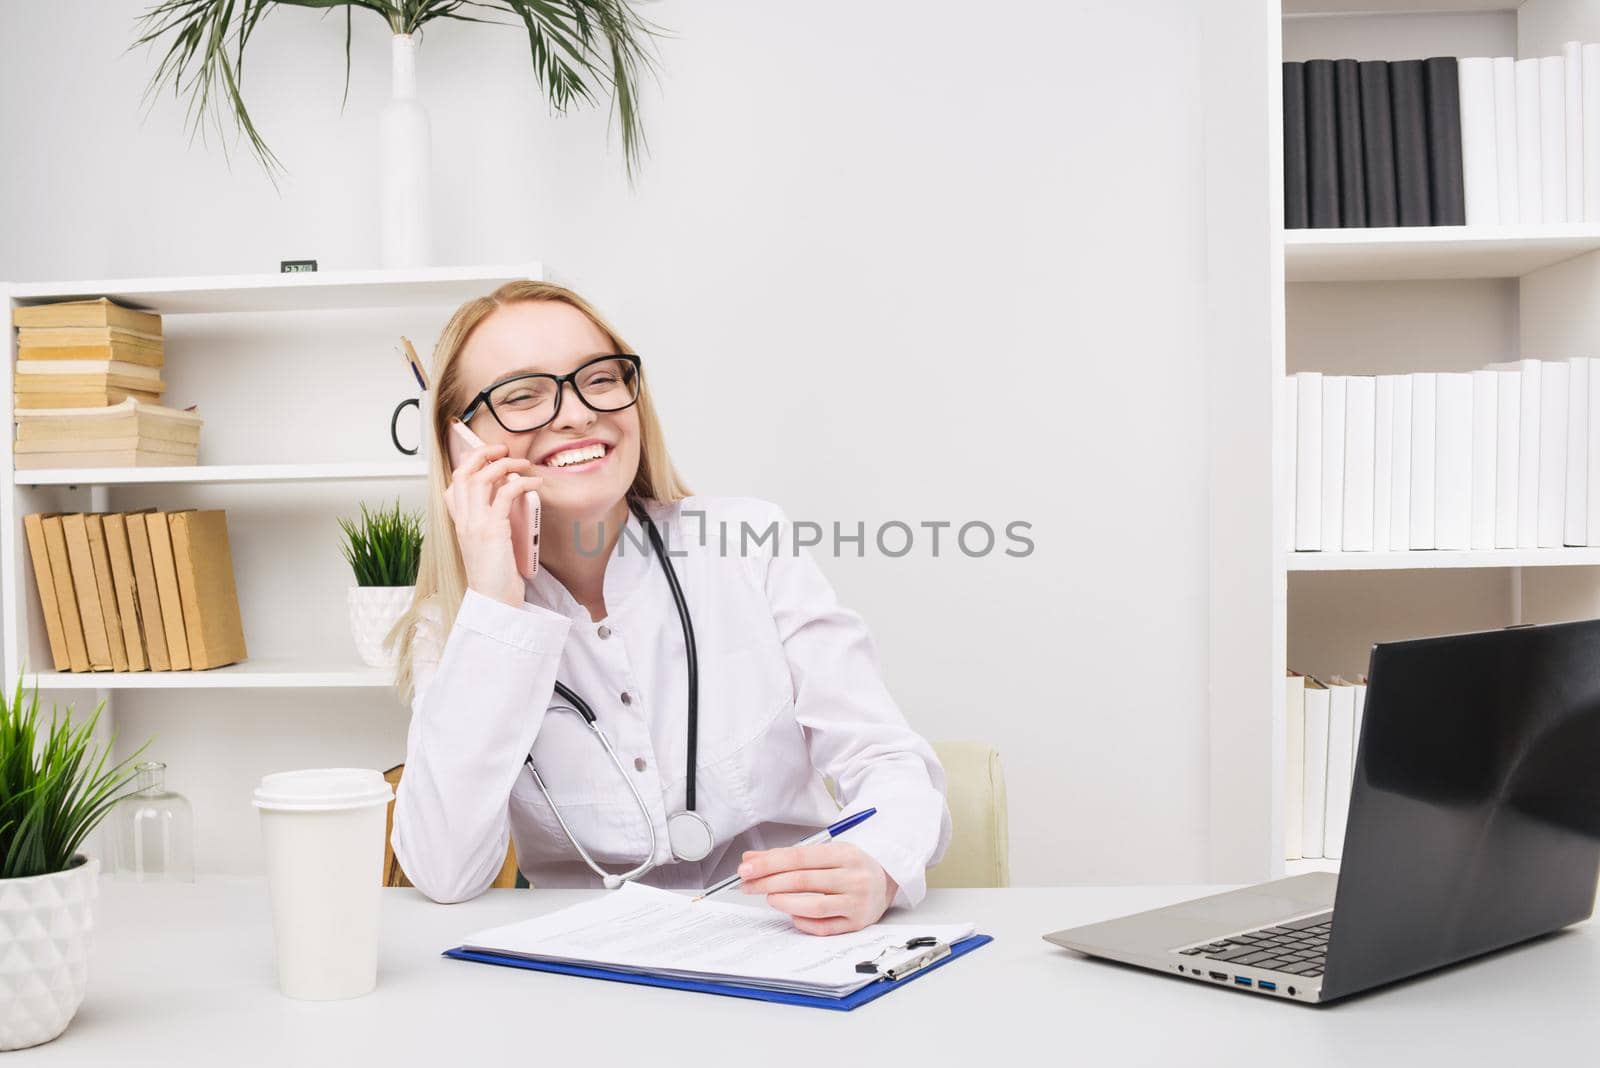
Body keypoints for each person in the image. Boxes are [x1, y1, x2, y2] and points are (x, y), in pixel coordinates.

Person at [388, 280, 950, 934]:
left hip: (787, 948)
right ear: (462, 444)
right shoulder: (460, 625)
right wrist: (495, 600)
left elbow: (887, 762)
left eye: (598, 379)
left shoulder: (748, 543)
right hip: (591, 983)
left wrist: (878, 864)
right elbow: (445, 874)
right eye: (522, 395)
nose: (575, 414)